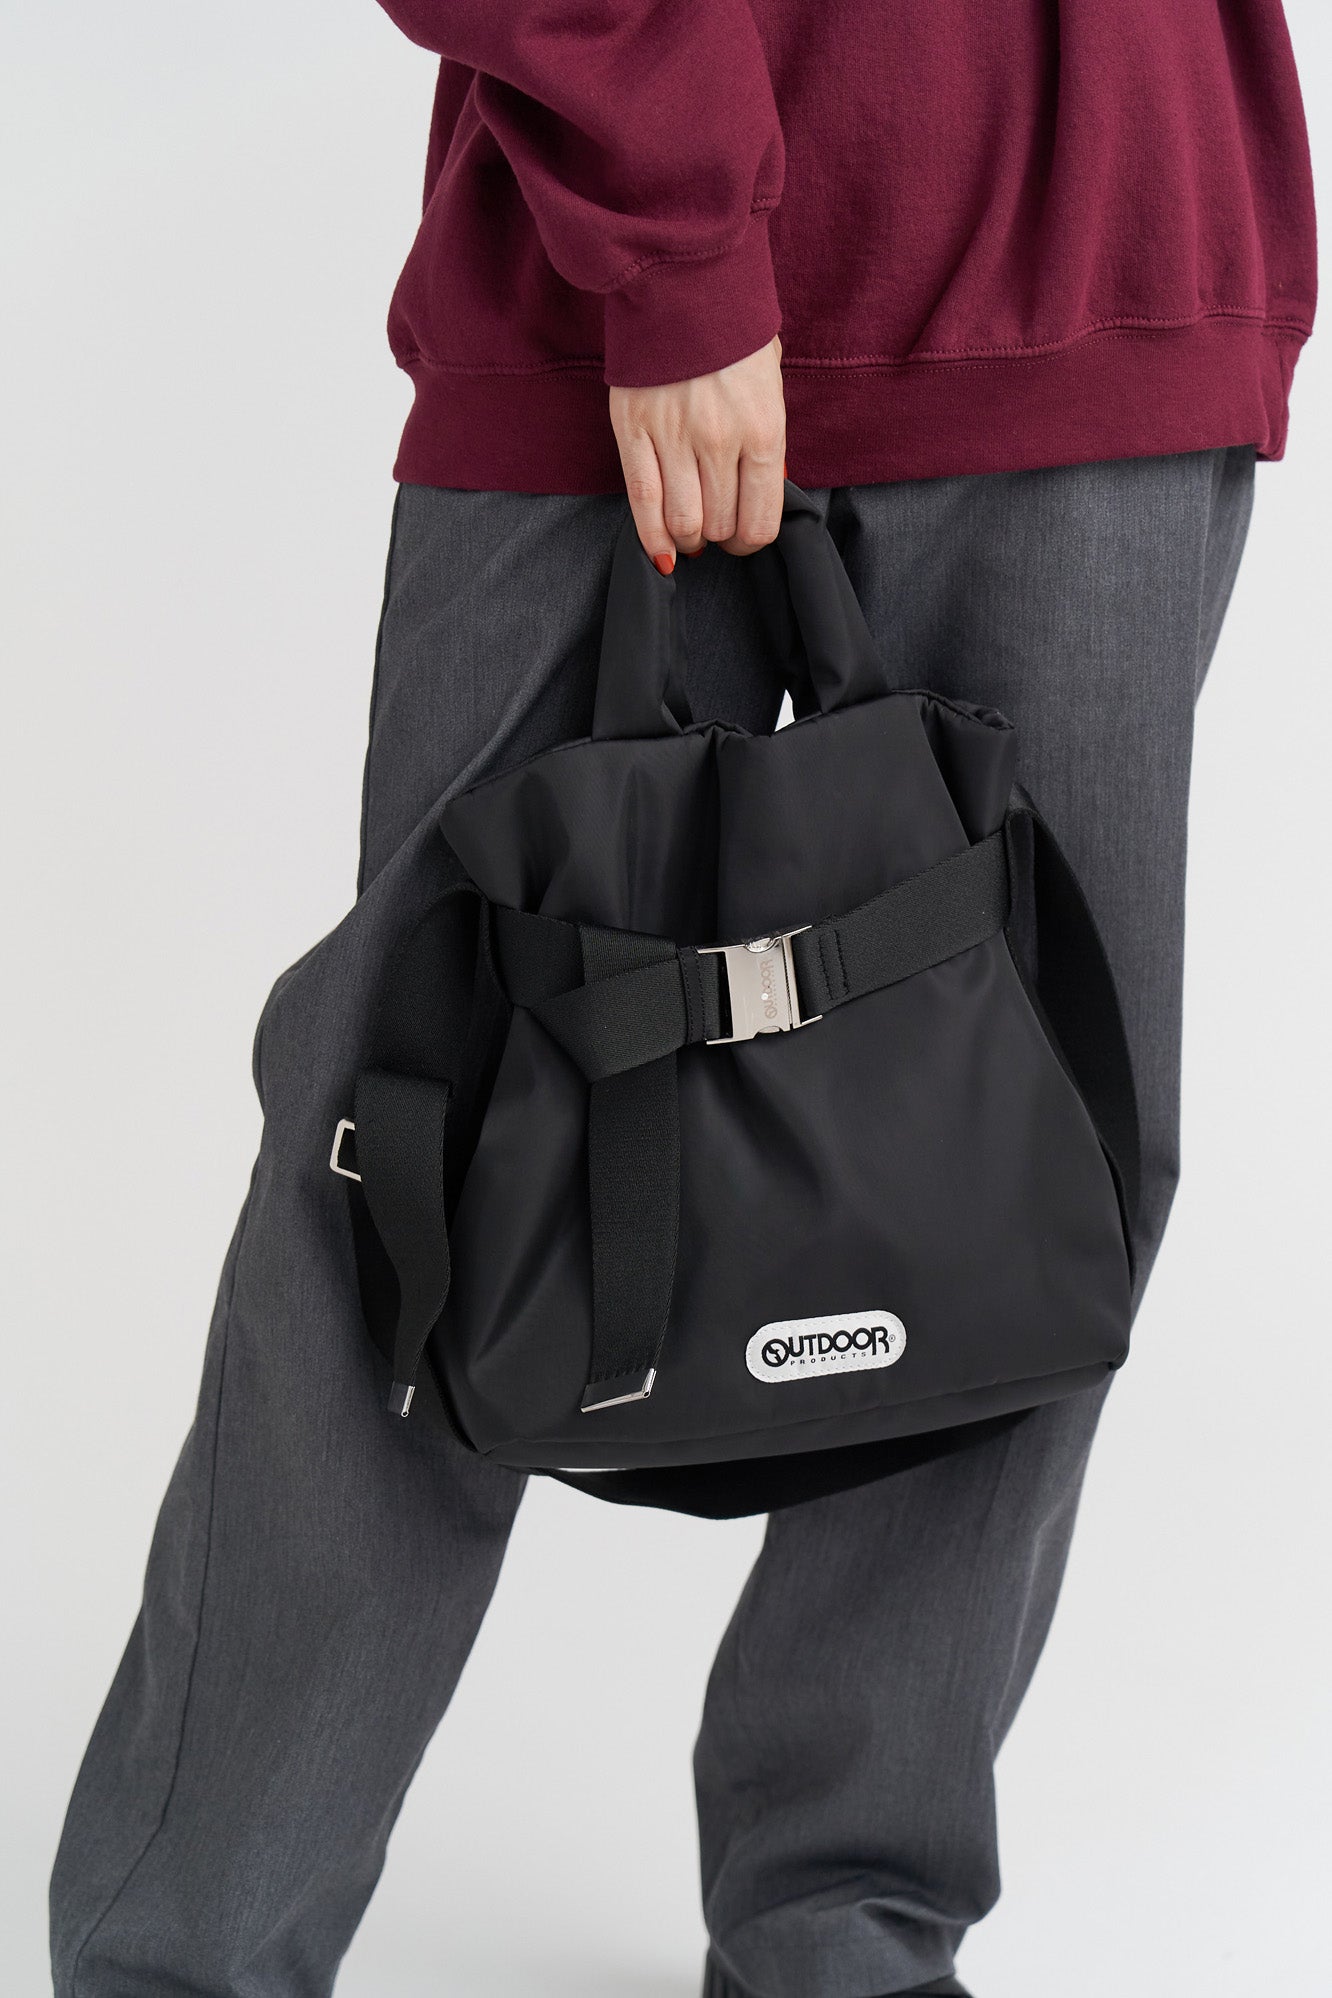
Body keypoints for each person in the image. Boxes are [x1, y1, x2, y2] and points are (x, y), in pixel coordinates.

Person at [50, 3, 1316, 1995]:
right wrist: (681, 244)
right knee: (425, 1170)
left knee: (1024, 1189)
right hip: (613, 294)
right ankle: (184, 1958)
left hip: (1103, 250)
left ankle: (845, 1929)